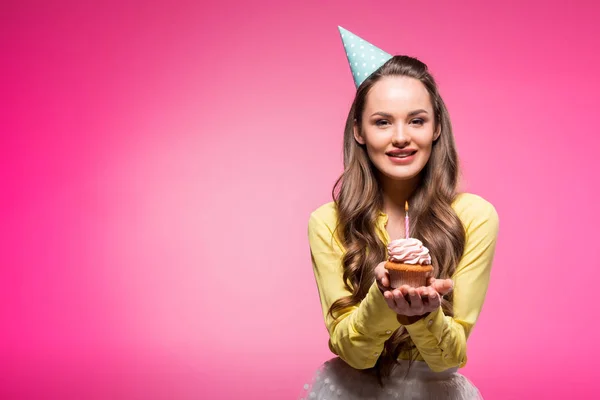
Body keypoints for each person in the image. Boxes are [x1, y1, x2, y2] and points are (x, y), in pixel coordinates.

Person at [299, 27, 499, 399]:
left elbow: (449, 357)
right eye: (382, 121)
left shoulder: (474, 217)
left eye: (417, 120)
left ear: (437, 127)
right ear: (359, 131)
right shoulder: (328, 222)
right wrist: (382, 300)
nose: (401, 137)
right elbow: (354, 353)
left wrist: (423, 316)